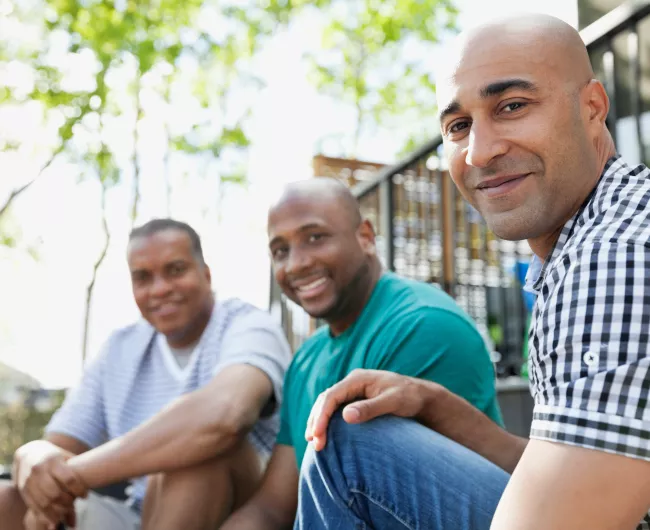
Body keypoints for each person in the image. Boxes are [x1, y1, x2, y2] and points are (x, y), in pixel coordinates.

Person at [297, 13, 650, 530]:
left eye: (512, 106)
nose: (480, 151)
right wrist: (436, 405)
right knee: (359, 441)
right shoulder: (593, 234)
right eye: (459, 126)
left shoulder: (613, 252)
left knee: (348, 453)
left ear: (593, 107)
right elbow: (578, 475)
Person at [220, 177, 503, 529]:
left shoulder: (422, 325)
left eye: (315, 237)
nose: (295, 264)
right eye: (280, 251)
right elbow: (271, 507)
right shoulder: (307, 358)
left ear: (365, 237)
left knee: (347, 429)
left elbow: (398, 510)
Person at [0, 218, 292, 530]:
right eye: (143, 277)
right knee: (7, 500)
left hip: (237, 514)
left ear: (206, 275)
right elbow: (59, 446)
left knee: (195, 458)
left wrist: (76, 475)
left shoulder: (247, 326)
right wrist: (34, 456)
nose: (161, 289)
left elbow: (224, 417)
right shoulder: (119, 349)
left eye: (176, 270)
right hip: (136, 513)